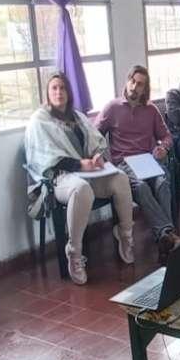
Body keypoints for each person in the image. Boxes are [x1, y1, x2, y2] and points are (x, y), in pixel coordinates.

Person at [26, 73, 137, 278]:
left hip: (88, 173)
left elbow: (96, 142)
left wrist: (97, 157)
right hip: (59, 178)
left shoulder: (77, 117)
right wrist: (78, 164)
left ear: (69, 92)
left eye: (62, 88)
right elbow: (45, 157)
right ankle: (74, 253)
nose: (59, 92)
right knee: (81, 189)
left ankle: (125, 234)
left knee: (121, 178)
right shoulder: (39, 121)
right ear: (47, 93)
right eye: (54, 88)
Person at [97, 66, 180, 263]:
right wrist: (100, 158)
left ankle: (165, 239)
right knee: (142, 188)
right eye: (133, 81)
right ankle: (168, 235)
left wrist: (163, 148)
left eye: (140, 84)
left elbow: (167, 136)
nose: (134, 87)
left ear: (145, 89)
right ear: (127, 81)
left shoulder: (151, 110)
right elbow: (94, 135)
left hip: (149, 161)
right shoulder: (112, 107)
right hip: (124, 163)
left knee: (162, 184)